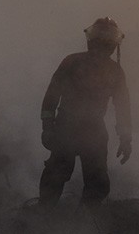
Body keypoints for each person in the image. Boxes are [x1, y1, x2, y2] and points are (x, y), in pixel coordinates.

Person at [38, 17, 132, 207]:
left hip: (83, 129)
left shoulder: (79, 63)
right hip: (71, 128)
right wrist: (47, 128)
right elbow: (51, 98)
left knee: (95, 182)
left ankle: (81, 224)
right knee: (58, 177)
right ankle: (48, 218)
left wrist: (125, 138)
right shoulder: (80, 64)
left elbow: (122, 107)